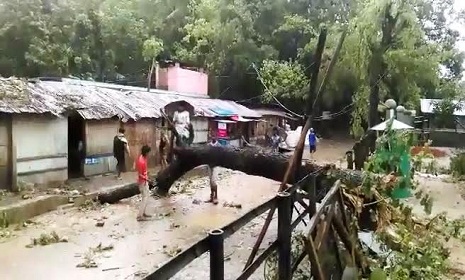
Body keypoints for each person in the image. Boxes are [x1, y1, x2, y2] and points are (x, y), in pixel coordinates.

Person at [136, 145, 152, 221]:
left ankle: (143, 213)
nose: (149, 154)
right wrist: (146, 178)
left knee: (146, 197)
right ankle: (139, 216)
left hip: (145, 181)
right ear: (146, 152)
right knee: (144, 198)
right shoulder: (141, 161)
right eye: (148, 152)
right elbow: (139, 174)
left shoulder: (144, 158)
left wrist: (147, 174)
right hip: (142, 182)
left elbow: (144, 171)